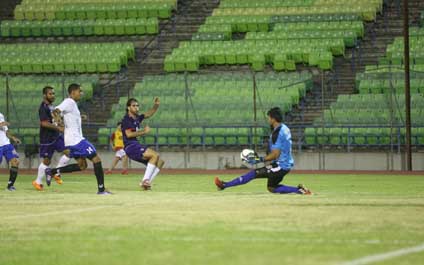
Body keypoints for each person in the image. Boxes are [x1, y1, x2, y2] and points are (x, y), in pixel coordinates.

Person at [214, 107, 312, 195]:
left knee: (254, 174)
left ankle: (224, 185)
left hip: (281, 166)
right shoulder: (285, 128)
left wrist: (259, 159)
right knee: (272, 188)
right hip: (284, 164)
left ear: (273, 119)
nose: (268, 119)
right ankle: (299, 190)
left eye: (269, 117)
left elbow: (275, 154)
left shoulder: (276, 133)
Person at [48, 83, 111, 195]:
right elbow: (55, 111)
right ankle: (101, 189)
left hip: (71, 141)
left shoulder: (73, 105)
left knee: (82, 166)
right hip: (76, 140)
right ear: (73, 92)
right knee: (96, 159)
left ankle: (53, 171)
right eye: (79, 91)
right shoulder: (69, 102)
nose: (81, 93)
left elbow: (67, 116)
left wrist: (79, 117)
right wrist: (58, 121)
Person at [32, 86, 71, 191]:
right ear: (44, 95)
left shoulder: (52, 107)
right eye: (50, 94)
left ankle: (57, 173)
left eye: (53, 93)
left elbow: (55, 119)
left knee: (69, 152)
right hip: (47, 138)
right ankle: (37, 182)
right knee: (46, 161)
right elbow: (44, 123)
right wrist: (58, 128)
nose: (53, 95)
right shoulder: (43, 107)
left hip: (56, 136)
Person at [121, 97, 164, 190]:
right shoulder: (126, 120)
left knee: (160, 162)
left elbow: (148, 114)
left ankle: (146, 184)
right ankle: (145, 181)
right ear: (128, 108)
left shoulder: (136, 118)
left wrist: (156, 105)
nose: (136, 107)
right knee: (154, 155)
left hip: (135, 145)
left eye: (137, 105)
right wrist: (144, 131)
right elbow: (128, 135)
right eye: (134, 105)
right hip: (131, 146)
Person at [0, 112, 21, 191]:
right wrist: (3, 123)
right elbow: (2, 124)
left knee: (15, 162)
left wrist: (13, 138)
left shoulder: (1, 115)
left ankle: (10, 186)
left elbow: (5, 130)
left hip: (7, 144)